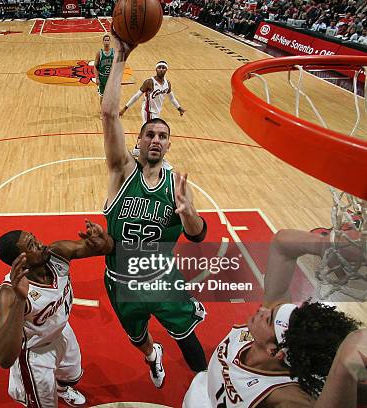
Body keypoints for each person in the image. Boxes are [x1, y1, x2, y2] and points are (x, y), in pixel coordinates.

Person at [100, 33, 208, 388]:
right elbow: (108, 113)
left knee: (186, 335)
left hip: (161, 278)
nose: (156, 139)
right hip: (120, 282)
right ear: (139, 141)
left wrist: (188, 210)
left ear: (169, 143)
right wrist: (120, 56)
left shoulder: (175, 182)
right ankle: (152, 357)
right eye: (150, 135)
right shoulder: (121, 172)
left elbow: (196, 234)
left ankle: (208, 388)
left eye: (163, 136)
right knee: (138, 339)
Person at [183, 229, 365, 407]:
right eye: (273, 311)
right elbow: (281, 244)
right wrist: (325, 245)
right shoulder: (273, 336)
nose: (263, 310)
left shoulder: (285, 396)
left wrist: (345, 366)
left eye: (269, 319)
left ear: (274, 351)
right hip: (201, 393)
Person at [0, 220, 114, 407]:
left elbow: (105, 248)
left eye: (35, 239)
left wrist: (102, 240)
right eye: (32, 246)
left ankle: (62, 389)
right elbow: (4, 358)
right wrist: (20, 300)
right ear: (20, 260)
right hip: (35, 352)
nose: (41, 244)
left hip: (62, 331)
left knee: (72, 375)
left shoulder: (57, 253)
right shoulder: (9, 292)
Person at [120, 60, 184, 160]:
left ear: (166, 69)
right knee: (152, 130)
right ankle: (143, 150)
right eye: (159, 67)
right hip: (148, 111)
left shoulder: (167, 83)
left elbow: (172, 98)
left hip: (157, 111)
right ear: (156, 69)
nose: (161, 69)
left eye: (163, 68)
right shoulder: (149, 82)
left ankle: (139, 150)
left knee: (146, 130)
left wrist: (179, 108)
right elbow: (137, 95)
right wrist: (125, 108)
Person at [94, 34, 114, 118]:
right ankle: (102, 112)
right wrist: (97, 78)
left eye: (108, 40)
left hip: (111, 78)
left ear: (110, 41)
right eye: (105, 40)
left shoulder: (114, 52)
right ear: (103, 41)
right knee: (102, 96)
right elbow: (95, 66)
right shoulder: (99, 53)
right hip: (102, 78)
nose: (106, 41)